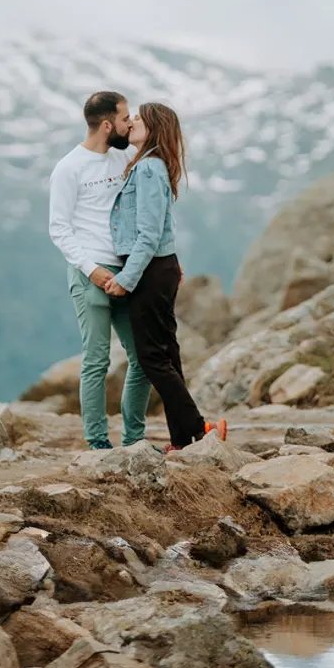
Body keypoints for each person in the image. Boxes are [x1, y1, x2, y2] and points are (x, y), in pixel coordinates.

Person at [105, 102, 227, 450]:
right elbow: (162, 225)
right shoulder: (151, 166)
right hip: (160, 265)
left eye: (138, 120)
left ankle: (201, 430)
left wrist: (126, 278)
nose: (131, 124)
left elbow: (147, 232)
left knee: (153, 357)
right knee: (167, 354)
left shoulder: (147, 169)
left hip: (148, 270)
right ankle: (185, 438)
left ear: (154, 128)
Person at [48, 90, 151, 450]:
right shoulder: (68, 168)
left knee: (142, 357)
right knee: (96, 359)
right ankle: (97, 444)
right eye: (125, 119)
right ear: (107, 124)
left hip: (125, 274)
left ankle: (135, 439)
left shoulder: (120, 161)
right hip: (89, 272)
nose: (130, 123)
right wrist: (91, 270)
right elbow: (58, 228)